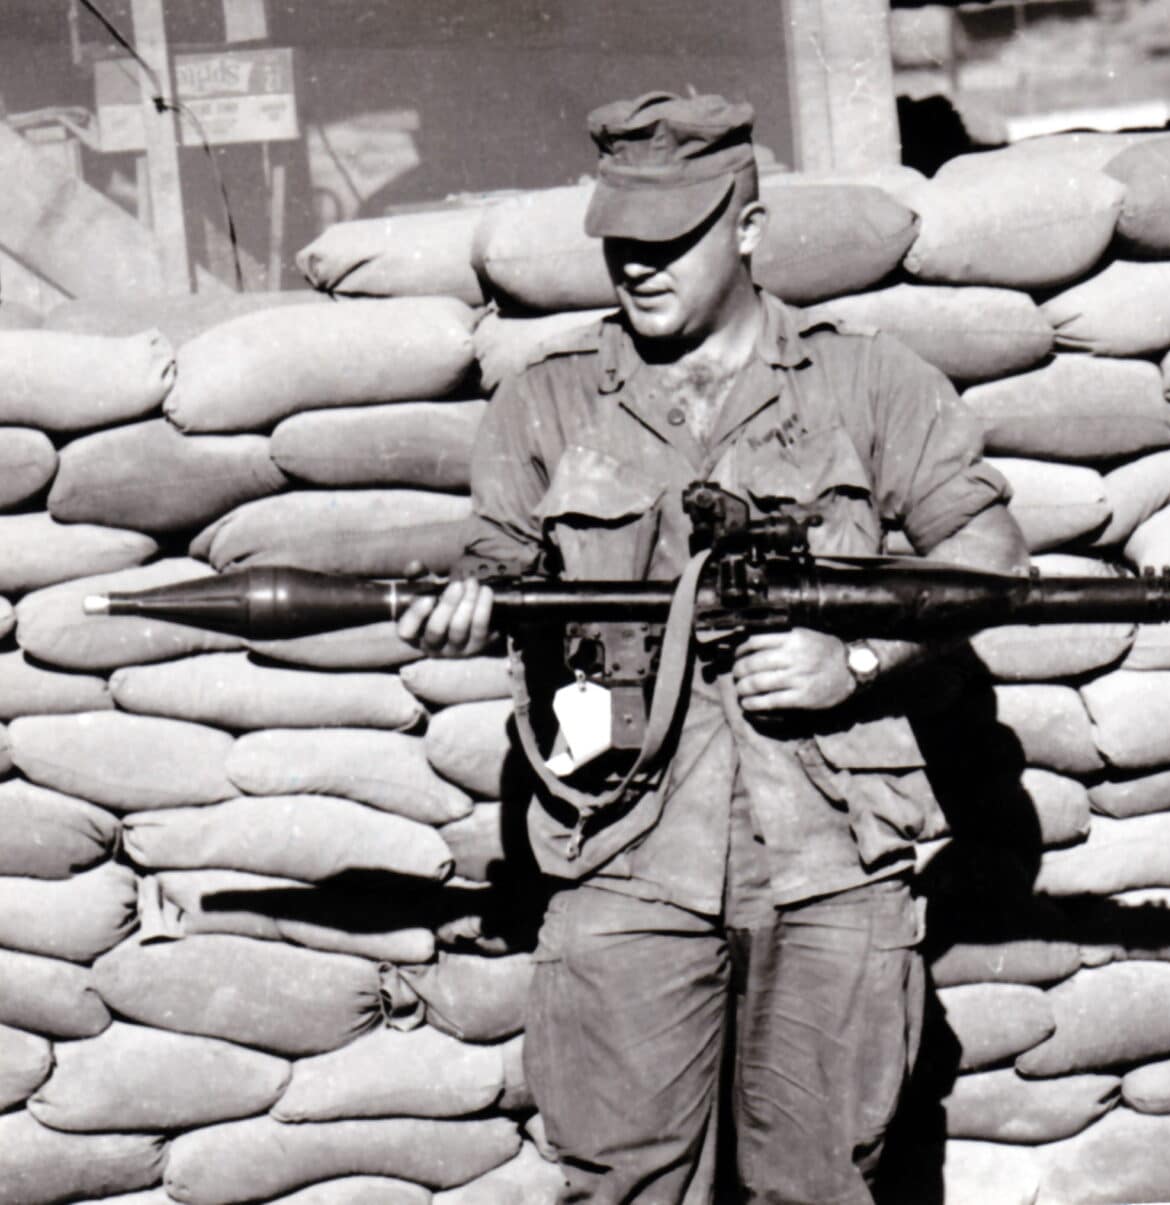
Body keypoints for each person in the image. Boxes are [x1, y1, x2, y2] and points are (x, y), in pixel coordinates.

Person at [399, 91, 1029, 1205]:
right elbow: (497, 563)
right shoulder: (545, 404)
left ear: (744, 227)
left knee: (821, 1183)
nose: (638, 265)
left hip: (832, 847)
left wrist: (859, 660)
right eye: (619, 242)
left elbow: (986, 558)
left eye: (671, 237)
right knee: (624, 1182)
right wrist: (469, 602)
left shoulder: (865, 381)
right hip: (621, 849)